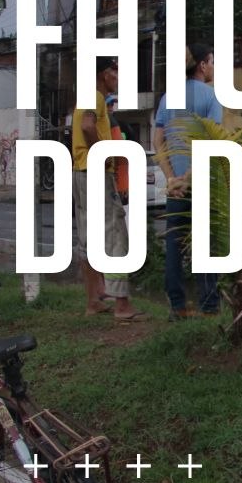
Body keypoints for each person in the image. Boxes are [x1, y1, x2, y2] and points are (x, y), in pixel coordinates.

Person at [154, 44, 224, 320]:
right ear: (203, 65)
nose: (215, 68)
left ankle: (177, 307)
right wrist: (190, 177)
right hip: (201, 184)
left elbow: (158, 141)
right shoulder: (211, 97)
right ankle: (209, 307)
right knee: (205, 244)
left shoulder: (167, 98)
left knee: (174, 244)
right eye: (213, 61)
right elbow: (212, 142)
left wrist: (173, 177)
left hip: (175, 188)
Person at [72, 58, 144, 321]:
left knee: (88, 238)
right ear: (104, 74)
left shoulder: (83, 98)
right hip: (95, 172)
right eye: (115, 71)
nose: (118, 76)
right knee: (115, 235)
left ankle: (93, 301)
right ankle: (122, 305)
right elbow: (87, 126)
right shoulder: (96, 97)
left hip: (80, 171)